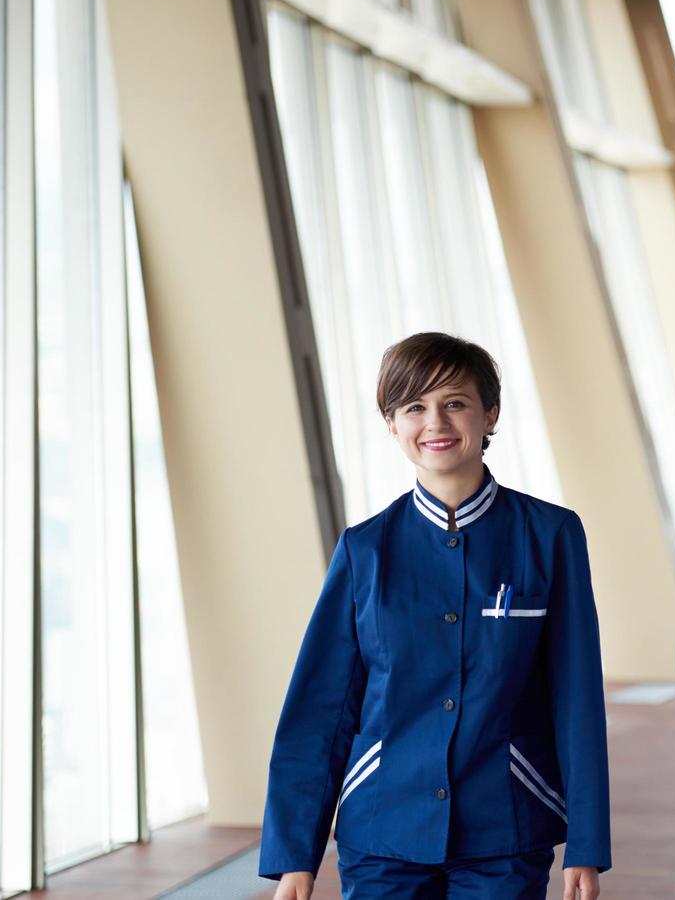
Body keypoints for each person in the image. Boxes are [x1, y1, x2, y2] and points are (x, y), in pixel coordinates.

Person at [259, 332, 609, 900]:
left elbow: (577, 698)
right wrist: (295, 854)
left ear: (490, 413)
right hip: (381, 828)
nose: (436, 423)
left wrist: (588, 843)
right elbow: (319, 710)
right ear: (392, 424)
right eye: (414, 407)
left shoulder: (550, 535)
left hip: (507, 826)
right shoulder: (364, 550)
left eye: (455, 402)